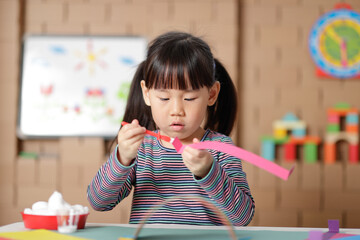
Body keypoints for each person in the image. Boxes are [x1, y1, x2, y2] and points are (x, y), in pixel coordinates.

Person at [87, 31, 255, 226]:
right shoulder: (141, 148)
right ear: (147, 94)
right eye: (164, 98)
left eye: (189, 98)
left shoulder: (220, 147)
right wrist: (122, 157)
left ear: (212, 94)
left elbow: (242, 218)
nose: (176, 111)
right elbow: (99, 202)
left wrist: (209, 171)